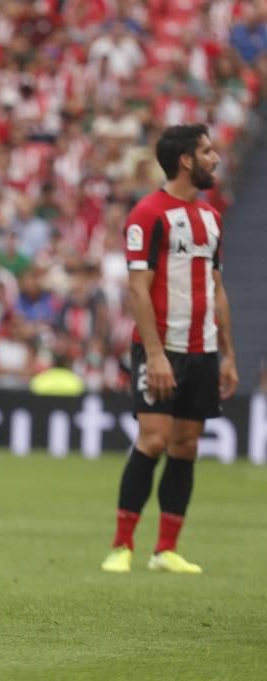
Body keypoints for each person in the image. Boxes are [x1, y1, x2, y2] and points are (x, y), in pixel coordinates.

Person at [101, 124, 238, 575]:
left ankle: (166, 550)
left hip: (203, 349)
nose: (215, 158)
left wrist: (228, 354)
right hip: (162, 347)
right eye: (207, 151)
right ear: (185, 160)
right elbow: (138, 290)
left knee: (186, 445)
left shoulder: (211, 218)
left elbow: (217, 289)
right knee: (154, 438)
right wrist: (155, 354)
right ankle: (122, 545)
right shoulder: (148, 214)